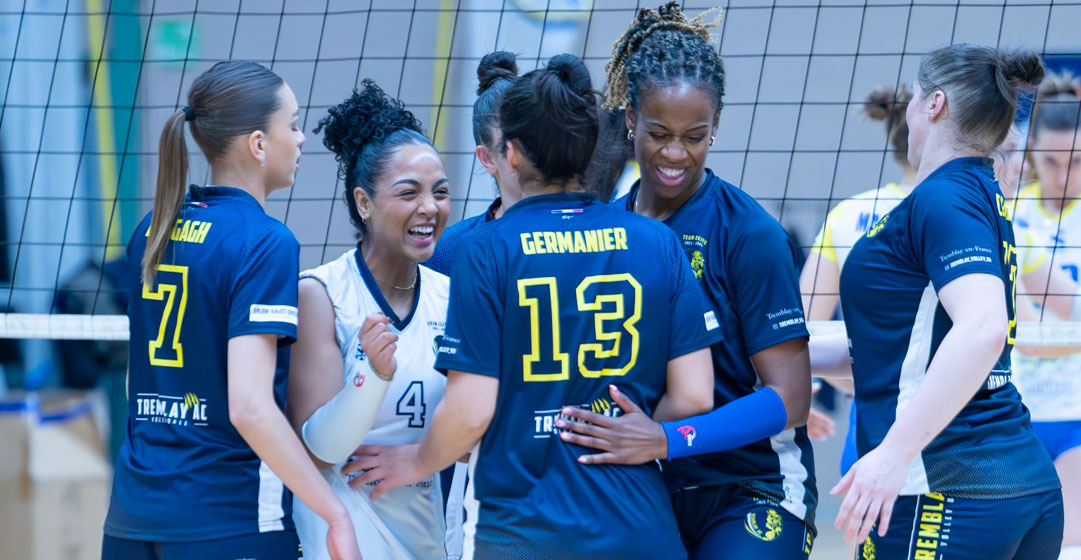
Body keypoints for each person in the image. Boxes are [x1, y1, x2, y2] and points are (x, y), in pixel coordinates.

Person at [343, 53, 718, 560]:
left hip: (522, 534)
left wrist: (417, 462)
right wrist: (628, 430)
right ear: (591, 149)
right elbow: (695, 396)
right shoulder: (657, 242)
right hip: (639, 529)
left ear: (511, 152)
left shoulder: (486, 249)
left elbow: (472, 410)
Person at [558, 4, 818, 558]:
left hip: (748, 487)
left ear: (716, 127)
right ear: (629, 118)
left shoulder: (749, 234)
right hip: (644, 480)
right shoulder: (605, 228)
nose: (675, 153)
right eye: (657, 133)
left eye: (695, 136)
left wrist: (668, 439)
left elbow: (791, 399)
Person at [102, 61, 360, 560]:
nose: (302, 138)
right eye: (293, 124)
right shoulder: (264, 241)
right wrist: (333, 511)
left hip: (132, 518)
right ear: (258, 144)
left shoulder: (153, 228)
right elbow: (249, 407)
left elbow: (141, 384)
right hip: (229, 520)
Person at [831, 44, 1062, 558]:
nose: (908, 113)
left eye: (914, 99)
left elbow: (983, 329)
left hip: (945, 489)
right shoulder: (977, 192)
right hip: (1014, 482)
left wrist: (893, 452)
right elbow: (907, 347)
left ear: (933, 104)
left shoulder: (945, 197)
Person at [285, 79, 453, 560]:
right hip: (343, 541)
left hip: (428, 538)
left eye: (440, 192)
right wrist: (371, 376)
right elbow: (319, 451)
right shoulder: (321, 293)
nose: (429, 208)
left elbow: (475, 434)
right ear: (364, 203)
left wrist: (421, 459)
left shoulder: (452, 297)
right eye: (409, 193)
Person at [801, 85, 914, 473]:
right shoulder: (967, 210)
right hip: (953, 424)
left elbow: (801, 326)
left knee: (870, 532)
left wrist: (796, 394)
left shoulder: (848, 214)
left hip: (869, 413)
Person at [1010, 72, 1081, 560]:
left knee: (1079, 545)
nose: (1063, 176)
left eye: (1078, 161)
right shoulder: (1011, 210)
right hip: (1013, 414)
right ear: (1031, 154)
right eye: (1051, 162)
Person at [422, 51, 521, 276]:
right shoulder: (445, 252)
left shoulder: (585, 235)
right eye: (513, 143)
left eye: (537, 136)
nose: (531, 152)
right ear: (487, 158)